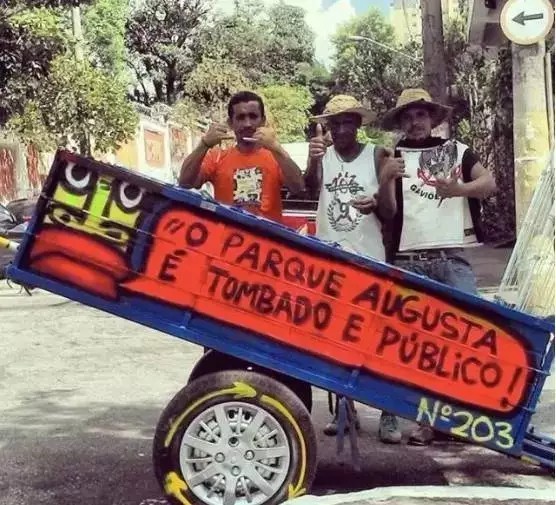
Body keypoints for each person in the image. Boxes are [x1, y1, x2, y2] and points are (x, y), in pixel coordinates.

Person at [379, 88, 497, 445]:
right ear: (401, 122)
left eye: (421, 114)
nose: (415, 121)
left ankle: (454, 417)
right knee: (408, 346)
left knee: (470, 339)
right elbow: (387, 213)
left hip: (451, 258)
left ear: (432, 118)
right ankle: (404, 416)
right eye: (408, 116)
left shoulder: (457, 151)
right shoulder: (393, 156)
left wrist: (459, 190)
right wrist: (385, 179)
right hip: (408, 260)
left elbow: (489, 184)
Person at [305, 94, 403, 445]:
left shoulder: (377, 155)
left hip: (370, 258)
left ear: (359, 124)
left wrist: (375, 200)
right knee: (337, 340)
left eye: (349, 121)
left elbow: (390, 213)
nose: (343, 129)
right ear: (329, 127)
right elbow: (309, 189)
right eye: (336, 123)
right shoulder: (323, 154)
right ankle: (344, 409)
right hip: (331, 263)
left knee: (378, 341)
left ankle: (388, 413)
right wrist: (312, 160)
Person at [179, 91, 305, 221]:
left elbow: (297, 187)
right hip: (228, 232)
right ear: (231, 123)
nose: (247, 124)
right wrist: (204, 144)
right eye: (240, 117)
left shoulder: (275, 156)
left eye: (253, 116)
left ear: (263, 121)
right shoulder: (217, 157)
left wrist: (276, 147)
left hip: (266, 233)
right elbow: (185, 183)